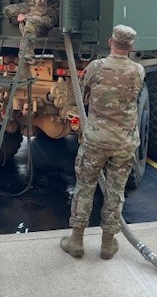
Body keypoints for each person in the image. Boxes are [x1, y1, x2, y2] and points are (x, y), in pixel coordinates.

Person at [60, 25, 145, 260]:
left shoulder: (96, 67)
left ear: (110, 42)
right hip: (124, 143)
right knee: (115, 191)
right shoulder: (138, 71)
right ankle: (108, 243)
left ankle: (76, 240)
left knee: (85, 187)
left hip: (96, 141)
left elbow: (85, 93)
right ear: (131, 47)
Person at [3, 0, 59, 77]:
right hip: (33, 6)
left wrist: (26, 17)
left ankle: (25, 66)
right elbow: (33, 4)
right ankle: (28, 26)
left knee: (30, 24)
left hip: (49, 12)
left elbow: (41, 8)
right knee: (8, 10)